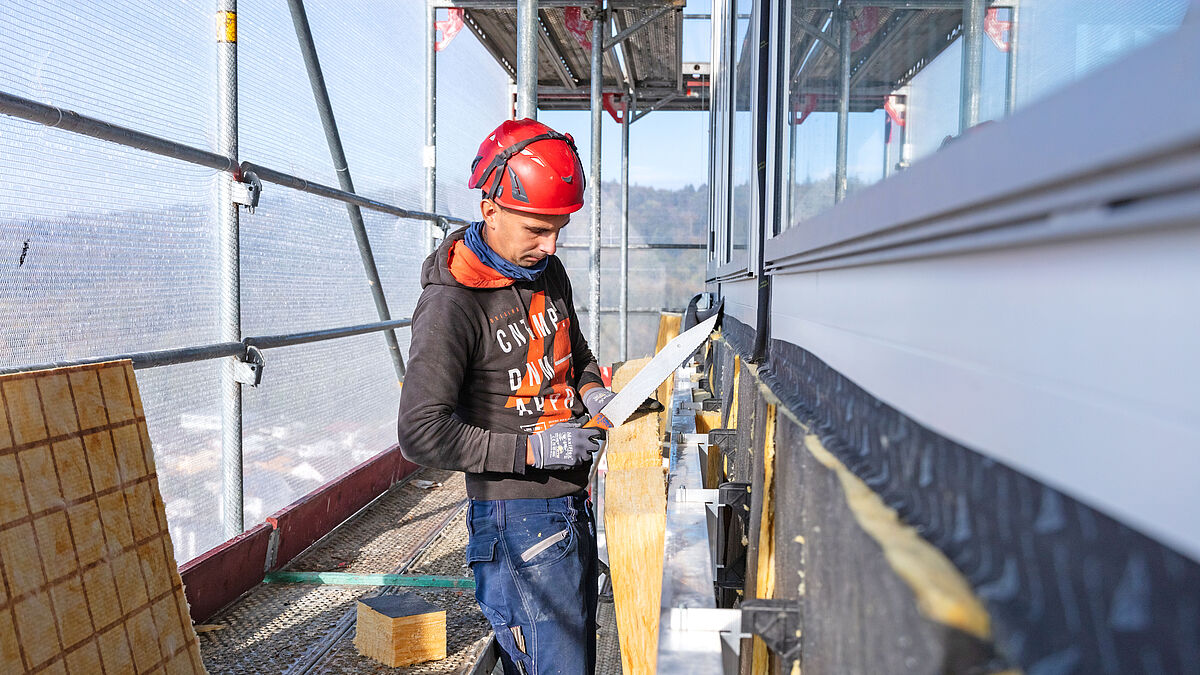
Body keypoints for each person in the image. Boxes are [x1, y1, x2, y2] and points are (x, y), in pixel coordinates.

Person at [397, 118, 656, 674]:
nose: (551, 245)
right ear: (490, 210)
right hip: (517, 519)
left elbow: (574, 351)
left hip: (568, 504)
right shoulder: (452, 306)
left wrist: (593, 391)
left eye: (560, 228)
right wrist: (533, 451)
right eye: (537, 229)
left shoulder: (547, 271)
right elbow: (420, 432)